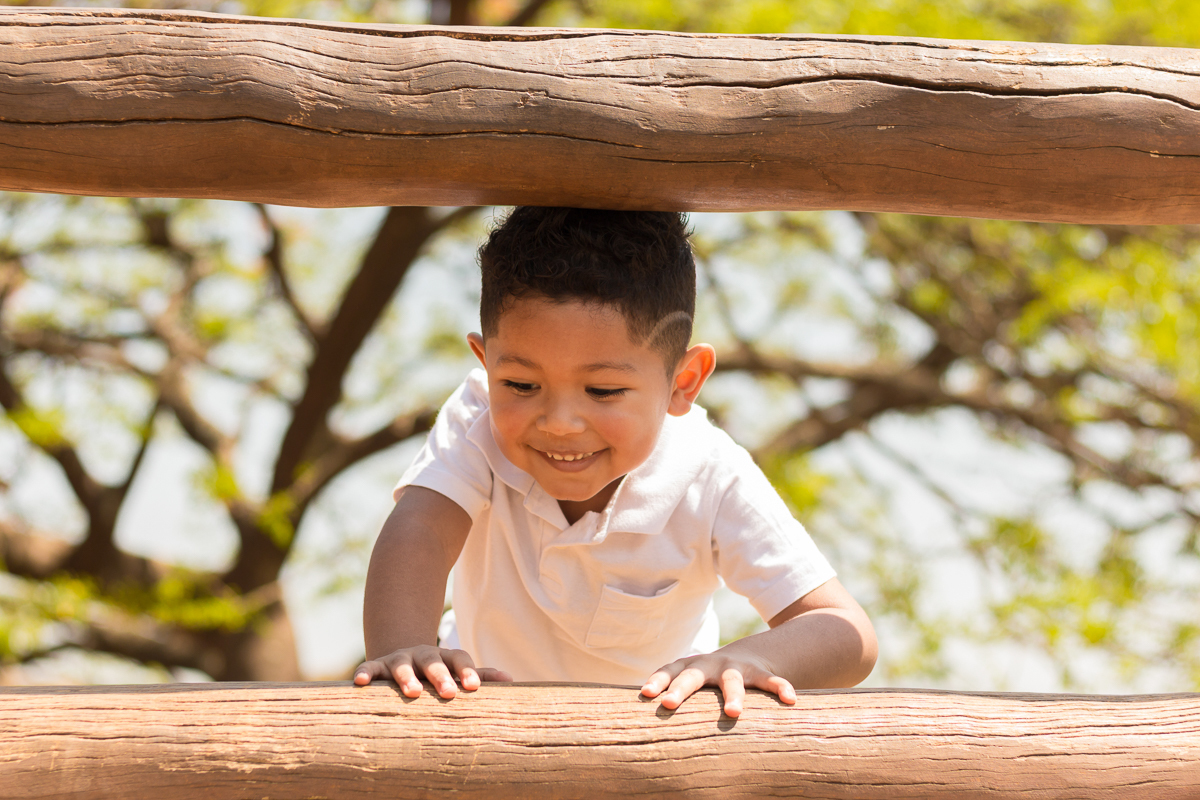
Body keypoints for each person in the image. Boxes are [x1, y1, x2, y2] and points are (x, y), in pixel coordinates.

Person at [354, 207, 876, 717]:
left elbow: (844, 629)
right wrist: (403, 649)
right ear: (485, 362)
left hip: (644, 748)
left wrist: (752, 656)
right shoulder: (476, 415)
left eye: (603, 390)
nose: (559, 422)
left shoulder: (709, 473)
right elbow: (422, 527)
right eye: (520, 384)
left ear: (683, 383)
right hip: (475, 721)